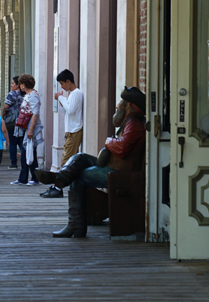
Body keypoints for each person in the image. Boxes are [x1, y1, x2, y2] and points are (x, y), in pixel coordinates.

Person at [49, 87, 146, 238]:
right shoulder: (129, 122)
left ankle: (75, 225)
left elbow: (122, 148)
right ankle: (60, 177)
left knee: (78, 177)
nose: (117, 105)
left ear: (128, 106)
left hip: (119, 172)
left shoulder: (134, 124)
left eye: (121, 102)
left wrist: (109, 141)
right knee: (80, 157)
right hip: (113, 165)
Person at [42, 69, 84, 199]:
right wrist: (61, 101)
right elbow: (67, 111)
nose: (62, 87)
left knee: (66, 161)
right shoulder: (72, 94)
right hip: (71, 130)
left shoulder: (76, 93)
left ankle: (57, 187)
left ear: (68, 81)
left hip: (74, 130)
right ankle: (60, 186)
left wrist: (60, 97)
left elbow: (70, 110)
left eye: (62, 83)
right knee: (68, 160)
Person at [10, 74, 41, 186]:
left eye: (21, 84)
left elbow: (35, 113)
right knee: (26, 152)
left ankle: (33, 177)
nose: (20, 86)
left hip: (29, 127)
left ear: (24, 84)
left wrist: (31, 129)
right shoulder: (29, 95)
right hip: (25, 127)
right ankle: (25, 178)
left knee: (29, 152)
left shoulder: (33, 96)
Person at [3, 76, 24, 170]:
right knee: (22, 142)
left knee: (12, 142)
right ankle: (24, 161)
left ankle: (13, 163)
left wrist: (3, 116)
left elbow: (6, 106)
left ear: (18, 85)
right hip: (23, 120)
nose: (11, 85)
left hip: (12, 121)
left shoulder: (12, 94)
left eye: (12, 83)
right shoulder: (26, 94)